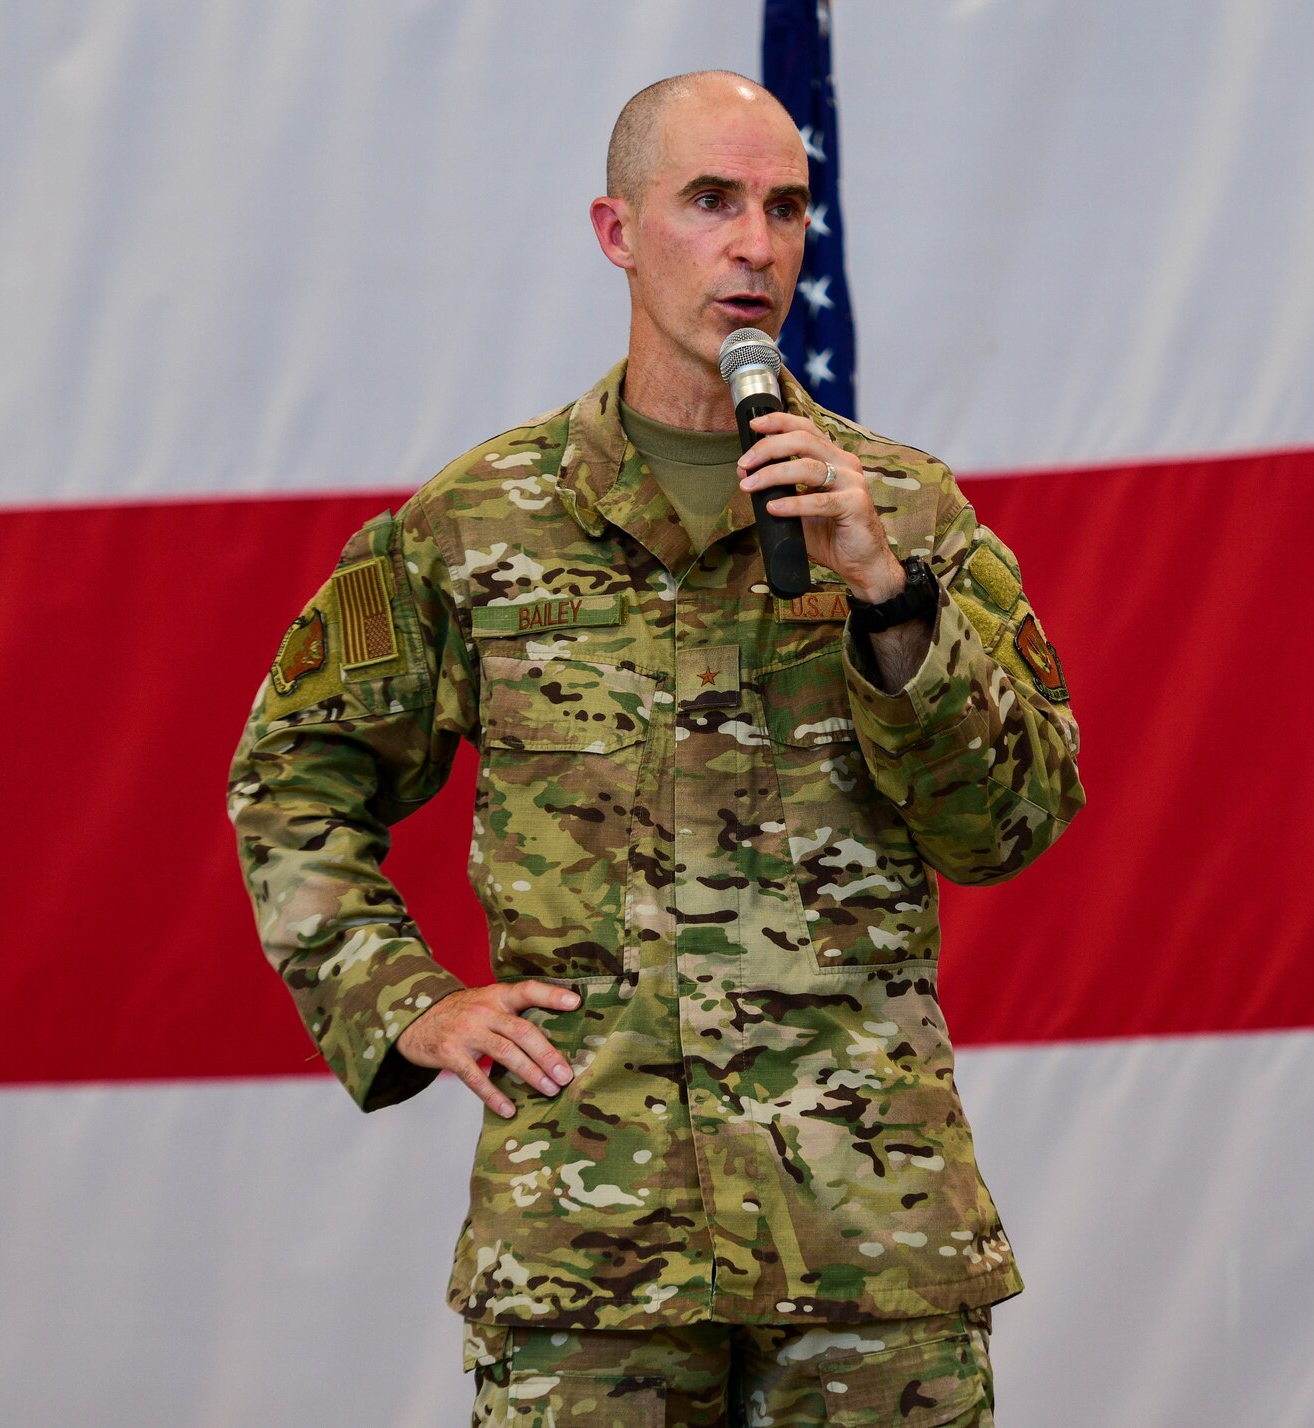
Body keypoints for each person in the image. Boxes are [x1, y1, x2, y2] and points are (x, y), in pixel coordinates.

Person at [228, 69, 1084, 1428]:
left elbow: (1011, 824)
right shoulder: (474, 524)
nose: (756, 244)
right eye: (710, 201)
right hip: (592, 1247)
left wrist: (886, 593)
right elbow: (292, 779)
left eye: (787, 207)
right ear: (616, 232)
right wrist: (402, 998)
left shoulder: (902, 509)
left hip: (867, 1244)